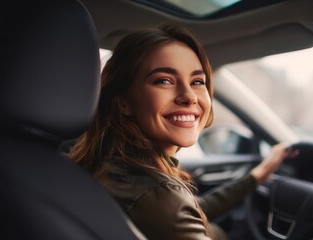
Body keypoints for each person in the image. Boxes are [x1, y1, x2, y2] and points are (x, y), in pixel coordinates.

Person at [68, 23, 294, 240]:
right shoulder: (157, 194)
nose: (189, 96)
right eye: (164, 80)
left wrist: (257, 176)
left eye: (197, 81)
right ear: (124, 102)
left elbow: (189, 211)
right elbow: (174, 209)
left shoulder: (112, 166)